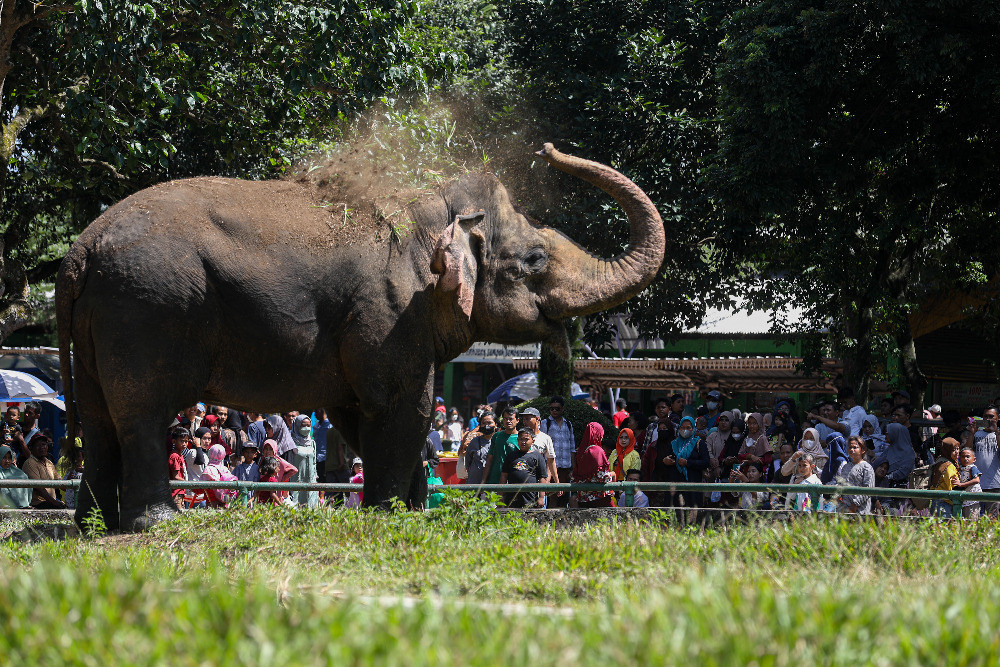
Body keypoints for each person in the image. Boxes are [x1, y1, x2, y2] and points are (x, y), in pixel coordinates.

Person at [661, 415, 710, 508]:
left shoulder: (699, 443)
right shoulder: (673, 444)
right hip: (674, 485)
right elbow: (667, 460)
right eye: (682, 427)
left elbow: (706, 462)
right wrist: (665, 461)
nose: (685, 430)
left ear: (693, 428)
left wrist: (688, 463)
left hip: (692, 485)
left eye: (688, 428)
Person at [499, 428, 549, 508]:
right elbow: (504, 475)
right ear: (517, 440)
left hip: (530, 497)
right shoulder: (511, 456)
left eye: (526, 439)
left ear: (533, 441)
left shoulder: (537, 456)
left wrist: (541, 497)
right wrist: (501, 495)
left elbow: (542, 478)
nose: (523, 442)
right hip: (512, 496)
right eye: (521, 439)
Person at [571, 422, 614, 508]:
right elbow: (603, 477)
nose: (601, 437)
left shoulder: (581, 450)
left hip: (583, 498)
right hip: (599, 497)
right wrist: (612, 474)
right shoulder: (597, 451)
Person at [541, 396, 575, 506]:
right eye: (552, 408)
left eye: (557, 408)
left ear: (563, 409)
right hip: (550, 468)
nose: (554, 411)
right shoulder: (545, 423)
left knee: (564, 498)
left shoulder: (568, 424)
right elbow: (542, 447)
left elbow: (572, 448)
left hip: (565, 468)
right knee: (552, 498)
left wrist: (572, 469)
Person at [520, 407, 558, 496]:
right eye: (524, 419)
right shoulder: (519, 437)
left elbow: (550, 461)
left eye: (528, 419)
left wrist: (553, 481)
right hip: (521, 480)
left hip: (539, 480)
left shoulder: (545, 438)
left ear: (537, 419)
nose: (525, 421)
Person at [22, 435, 66, 509]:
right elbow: (39, 488)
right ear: (31, 448)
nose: (42, 447)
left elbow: (59, 482)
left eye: (43, 444)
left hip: (51, 502)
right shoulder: (30, 463)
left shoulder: (49, 463)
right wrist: (55, 502)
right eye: (37, 445)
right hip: (38, 503)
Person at [971, 405, 1000, 516]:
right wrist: (972, 433)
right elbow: (967, 451)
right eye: (985, 416)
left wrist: (996, 431)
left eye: (991, 416)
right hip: (975, 484)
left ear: (998, 418)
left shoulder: (999, 433)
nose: (988, 419)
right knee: (973, 517)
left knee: (992, 518)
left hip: (995, 484)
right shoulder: (976, 434)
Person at [836, 436, 875, 514]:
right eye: (850, 447)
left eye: (855, 447)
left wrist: (855, 504)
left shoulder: (866, 467)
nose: (851, 450)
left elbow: (868, 489)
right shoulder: (846, 467)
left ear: (863, 450)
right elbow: (841, 485)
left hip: (860, 511)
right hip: (844, 509)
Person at [483, 407, 521, 486]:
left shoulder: (522, 439)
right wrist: (483, 480)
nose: (508, 421)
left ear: (517, 420)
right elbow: (489, 459)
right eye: (505, 419)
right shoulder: (496, 436)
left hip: (513, 484)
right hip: (494, 481)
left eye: (511, 419)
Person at [457, 413, 495, 485]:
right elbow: (468, 461)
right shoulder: (474, 442)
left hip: (492, 484)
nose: (486, 425)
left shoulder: (498, 441)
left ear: (495, 424)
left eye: (489, 423)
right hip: (474, 482)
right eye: (483, 423)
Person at [290, 414, 318, 507]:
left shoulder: (312, 443)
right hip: (295, 481)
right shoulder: (291, 443)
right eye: (303, 425)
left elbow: (314, 463)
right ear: (297, 425)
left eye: (308, 425)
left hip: (310, 480)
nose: (306, 428)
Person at [929, 437, 960, 518]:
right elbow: (950, 486)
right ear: (947, 451)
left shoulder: (940, 460)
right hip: (944, 503)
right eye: (953, 450)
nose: (957, 452)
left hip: (937, 500)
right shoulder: (948, 465)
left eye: (957, 449)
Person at [200, 444, 238, 508]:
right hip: (224, 501)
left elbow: (200, 487)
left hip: (211, 502)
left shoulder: (208, 469)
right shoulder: (225, 469)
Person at [955, 445, 982, 520]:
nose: (965, 459)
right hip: (964, 500)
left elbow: (977, 480)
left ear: (974, 459)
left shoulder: (972, 468)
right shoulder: (961, 468)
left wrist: (961, 484)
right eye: (963, 457)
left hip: (972, 500)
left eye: (968, 457)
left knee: (972, 520)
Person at [705, 411, 733, 479]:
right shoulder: (713, 435)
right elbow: (707, 450)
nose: (723, 422)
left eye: (726, 420)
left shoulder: (734, 436)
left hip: (730, 472)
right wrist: (715, 465)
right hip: (713, 472)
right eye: (721, 420)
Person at [168, 428, 190, 510]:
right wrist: (189, 484)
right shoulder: (174, 456)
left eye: (186, 441)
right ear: (174, 441)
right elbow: (176, 476)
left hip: (181, 491)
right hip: (176, 492)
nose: (184, 444)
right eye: (181, 441)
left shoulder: (180, 455)